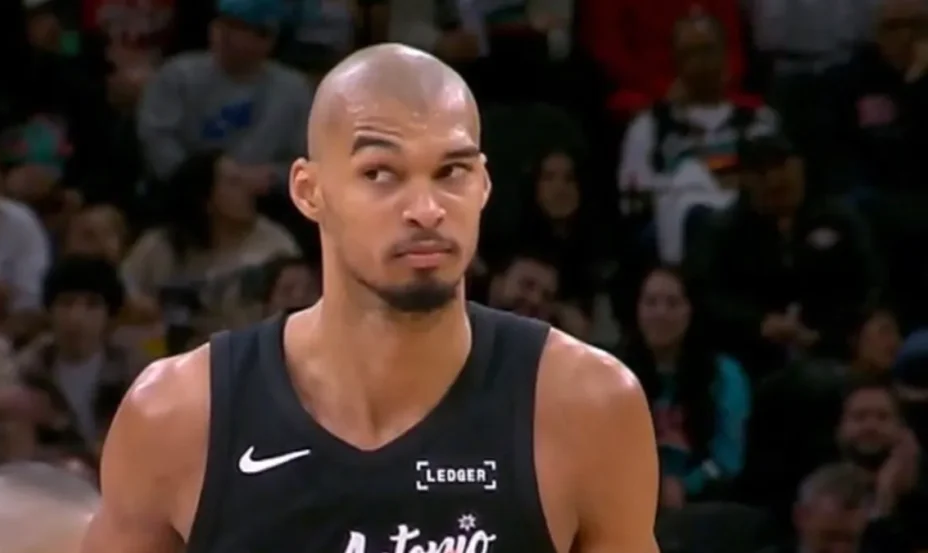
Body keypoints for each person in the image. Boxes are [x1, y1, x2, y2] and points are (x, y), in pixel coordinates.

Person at [80, 43, 658, 553]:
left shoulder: (587, 407)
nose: (426, 209)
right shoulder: (177, 416)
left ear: (483, 184)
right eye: (381, 173)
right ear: (309, 191)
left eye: (451, 172)